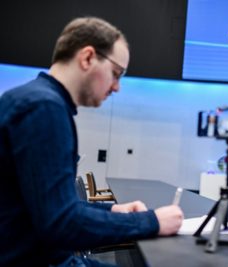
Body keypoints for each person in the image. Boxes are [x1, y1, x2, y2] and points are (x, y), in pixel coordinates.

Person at [0, 17, 183, 266]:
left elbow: (55, 206)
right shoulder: (43, 108)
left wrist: (112, 211)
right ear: (87, 58)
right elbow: (61, 223)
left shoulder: (35, 100)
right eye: (116, 74)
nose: (117, 87)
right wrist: (152, 222)